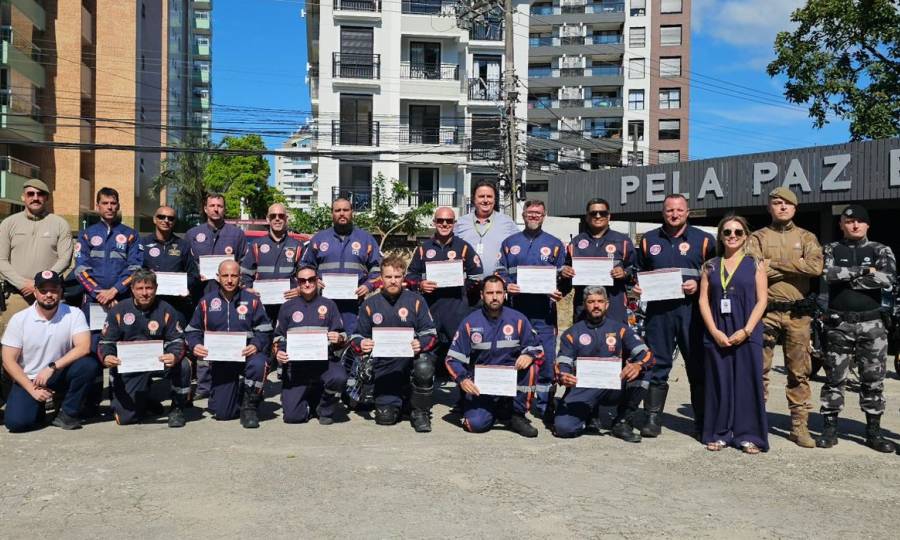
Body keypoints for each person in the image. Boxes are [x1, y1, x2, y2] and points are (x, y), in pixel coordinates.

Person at [816, 205, 895, 453]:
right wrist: (864, 272)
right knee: (834, 378)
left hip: (872, 325)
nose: (855, 225)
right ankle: (829, 430)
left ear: (867, 225)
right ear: (841, 225)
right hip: (839, 324)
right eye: (849, 222)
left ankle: (873, 433)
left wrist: (848, 277)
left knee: (873, 380)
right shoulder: (830, 249)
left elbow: (887, 279)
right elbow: (827, 273)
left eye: (860, 221)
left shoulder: (880, 250)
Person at [634, 193, 715, 438]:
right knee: (656, 365)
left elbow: (717, 274)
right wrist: (636, 287)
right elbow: (638, 272)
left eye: (679, 210)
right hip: (659, 313)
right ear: (663, 212)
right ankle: (652, 418)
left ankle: (702, 421)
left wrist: (699, 285)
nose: (674, 214)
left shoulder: (704, 240)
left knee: (697, 367)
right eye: (670, 210)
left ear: (687, 212)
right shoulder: (648, 240)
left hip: (692, 312)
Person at [748, 187, 823, 448]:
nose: (782, 207)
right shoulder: (757, 237)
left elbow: (815, 267)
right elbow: (754, 269)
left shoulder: (806, 237)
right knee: (759, 371)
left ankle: (799, 427)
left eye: (787, 204)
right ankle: (756, 425)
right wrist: (794, 267)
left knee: (799, 372)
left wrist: (774, 265)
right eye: (777, 203)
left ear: (795, 208)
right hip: (765, 312)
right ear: (769, 207)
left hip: (798, 314)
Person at [698, 215, 769, 454]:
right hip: (718, 330)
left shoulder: (755, 263)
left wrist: (747, 330)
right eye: (727, 232)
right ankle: (719, 433)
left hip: (746, 330)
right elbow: (703, 301)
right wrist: (714, 331)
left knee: (747, 383)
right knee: (719, 382)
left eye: (738, 232)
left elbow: (762, 301)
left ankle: (748, 435)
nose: (732, 236)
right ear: (720, 236)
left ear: (746, 236)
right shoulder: (709, 266)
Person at [445, 275, 544, 438]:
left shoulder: (518, 319)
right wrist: (462, 379)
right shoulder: (470, 322)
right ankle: (480, 407)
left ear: (505, 294)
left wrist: (529, 354)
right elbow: (451, 359)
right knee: (475, 425)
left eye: (499, 292)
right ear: (482, 295)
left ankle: (517, 414)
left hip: (510, 384)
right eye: (490, 293)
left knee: (532, 367)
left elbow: (538, 347)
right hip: (481, 387)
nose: (495, 297)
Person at [495, 200, 567, 421]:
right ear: (523, 215)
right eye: (530, 212)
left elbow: (564, 278)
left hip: (544, 315)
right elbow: (499, 271)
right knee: (513, 358)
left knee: (546, 361)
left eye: (538, 213)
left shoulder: (555, 244)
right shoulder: (509, 243)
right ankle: (511, 404)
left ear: (544, 216)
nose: (534, 216)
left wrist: (560, 291)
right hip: (516, 312)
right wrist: (507, 284)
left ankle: (545, 406)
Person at [553, 286, 654, 441]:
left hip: (613, 387)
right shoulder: (572, 333)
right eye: (591, 301)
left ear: (607, 304)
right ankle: (587, 415)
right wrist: (563, 375)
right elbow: (563, 362)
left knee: (645, 370)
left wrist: (638, 365)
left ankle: (623, 421)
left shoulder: (621, 329)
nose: (596, 305)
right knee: (564, 428)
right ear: (585, 304)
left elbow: (647, 354)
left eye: (600, 301)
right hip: (584, 387)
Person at [350, 255, 437, 432]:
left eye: (397, 277)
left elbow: (431, 333)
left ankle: (420, 411)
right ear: (381, 278)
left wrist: (420, 343)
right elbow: (356, 336)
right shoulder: (370, 304)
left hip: (410, 362)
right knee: (385, 419)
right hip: (383, 367)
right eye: (388, 277)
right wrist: (363, 343)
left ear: (403, 277)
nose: (393, 281)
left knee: (424, 367)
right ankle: (401, 400)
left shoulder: (417, 301)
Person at [1, 271, 97, 432]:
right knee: (16, 424)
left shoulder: (74, 313)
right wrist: (32, 390)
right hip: (29, 379)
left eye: (54, 290)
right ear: (35, 292)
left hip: (57, 373)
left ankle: (67, 414)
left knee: (88, 365)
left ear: (60, 291)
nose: (49, 295)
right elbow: (8, 360)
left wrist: (51, 367)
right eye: (43, 290)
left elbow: (83, 347)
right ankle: (37, 405)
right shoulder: (20, 319)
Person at [97, 269, 191, 428]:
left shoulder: (166, 309)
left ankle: (177, 407)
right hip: (129, 365)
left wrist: (174, 356)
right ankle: (144, 400)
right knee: (125, 419)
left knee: (183, 365)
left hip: (158, 361)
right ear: (132, 289)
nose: (145, 293)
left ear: (156, 288)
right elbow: (105, 342)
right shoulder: (119, 310)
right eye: (140, 288)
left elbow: (177, 340)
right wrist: (107, 356)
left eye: (149, 288)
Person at [185, 260, 272, 428]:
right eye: (225, 276)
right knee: (224, 413)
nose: (230, 280)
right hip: (222, 360)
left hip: (248, 355)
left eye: (234, 275)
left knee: (260, 363)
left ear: (240, 277)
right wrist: (195, 345)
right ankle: (236, 392)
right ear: (218, 277)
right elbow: (192, 330)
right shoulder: (206, 302)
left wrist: (256, 344)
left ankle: (250, 404)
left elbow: (265, 329)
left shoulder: (252, 300)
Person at [186, 193, 251, 399]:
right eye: (212, 205)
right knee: (205, 337)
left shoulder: (236, 234)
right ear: (205, 209)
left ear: (225, 209)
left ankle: (230, 379)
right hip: (202, 293)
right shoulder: (192, 234)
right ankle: (204, 386)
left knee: (229, 333)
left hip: (232, 295)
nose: (216, 209)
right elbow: (187, 265)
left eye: (220, 206)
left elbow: (245, 264)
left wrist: (245, 285)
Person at [405, 207, 483, 376]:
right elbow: (410, 275)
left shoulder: (463, 248)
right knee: (425, 359)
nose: (444, 224)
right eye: (440, 220)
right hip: (430, 308)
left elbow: (477, 275)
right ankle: (423, 399)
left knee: (462, 354)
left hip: (456, 308)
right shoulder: (423, 249)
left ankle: (464, 399)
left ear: (454, 223)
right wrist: (420, 284)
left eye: (449, 221)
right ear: (434, 223)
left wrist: (461, 287)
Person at [273, 266, 347, 425]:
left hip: (324, 362)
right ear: (297, 283)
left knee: (339, 377)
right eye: (302, 280)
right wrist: (279, 352)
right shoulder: (287, 307)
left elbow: (342, 335)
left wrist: (339, 338)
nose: (307, 284)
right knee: (293, 418)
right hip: (296, 366)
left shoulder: (329, 305)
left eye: (311, 279)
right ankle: (309, 403)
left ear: (317, 281)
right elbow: (278, 336)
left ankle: (324, 408)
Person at [0, 179, 74, 335]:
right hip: (17, 295)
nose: (35, 197)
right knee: (12, 343)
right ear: (23, 197)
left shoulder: (60, 224)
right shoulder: (8, 224)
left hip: (49, 295)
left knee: (52, 341)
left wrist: (40, 283)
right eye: (30, 194)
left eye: (40, 194)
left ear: (46, 198)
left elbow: (65, 259)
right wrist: (22, 284)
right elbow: (1, 260)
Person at [300, 198, 382, 334]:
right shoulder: (319, 239)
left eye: (346, 210)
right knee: (325, 342)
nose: (342, 213)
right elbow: (304, 266)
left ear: (352, 213)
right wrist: (314, 282)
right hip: (323, 302)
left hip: (354, 305)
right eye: (337, 210)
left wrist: (368, 286)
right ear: (332, 214)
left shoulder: (366, 239)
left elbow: (378, 269)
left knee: (354, 341)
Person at [560, 198, 635, 324]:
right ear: (587, 217)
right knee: (584, 342)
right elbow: (565, 276)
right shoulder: (576, 243)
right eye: (593, 213)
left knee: (614, 342)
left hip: (614, 306)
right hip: (583, 308)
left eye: (603, 213)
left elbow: (636, 269)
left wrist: (625, 273)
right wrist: (565, 273)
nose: (598, 216)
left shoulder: (623, 241)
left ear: (609, 216)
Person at [139, 206, 199, 322]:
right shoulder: (143, 243)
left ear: (174, 222)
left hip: (176, 305)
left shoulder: (183, 245)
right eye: (161, 217)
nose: (166, 220)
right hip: (149, 303)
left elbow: (193, 275)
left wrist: (184, 286)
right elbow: (136, 272)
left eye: (170, 218)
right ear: (154, 219)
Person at [247, 203, 304, 322]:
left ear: (286, 219)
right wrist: (247, 289)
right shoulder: (256, 245)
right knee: (263, 338)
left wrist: (300, 290)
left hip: (289, 305)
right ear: (268, 219)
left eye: (281, 216)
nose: (277, 219)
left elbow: (306, 276)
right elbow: (245, 274)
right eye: (273, 216)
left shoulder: (297, 246)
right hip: (262, 307)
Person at [454, 180, 520, 276]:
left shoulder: (507, 222)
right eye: (481, 196)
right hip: (469, 285)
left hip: (497, 286)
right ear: (474, 199)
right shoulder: (461, 223)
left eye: (489, 196)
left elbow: (519, 250)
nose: (485, 200)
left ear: (494, 199)